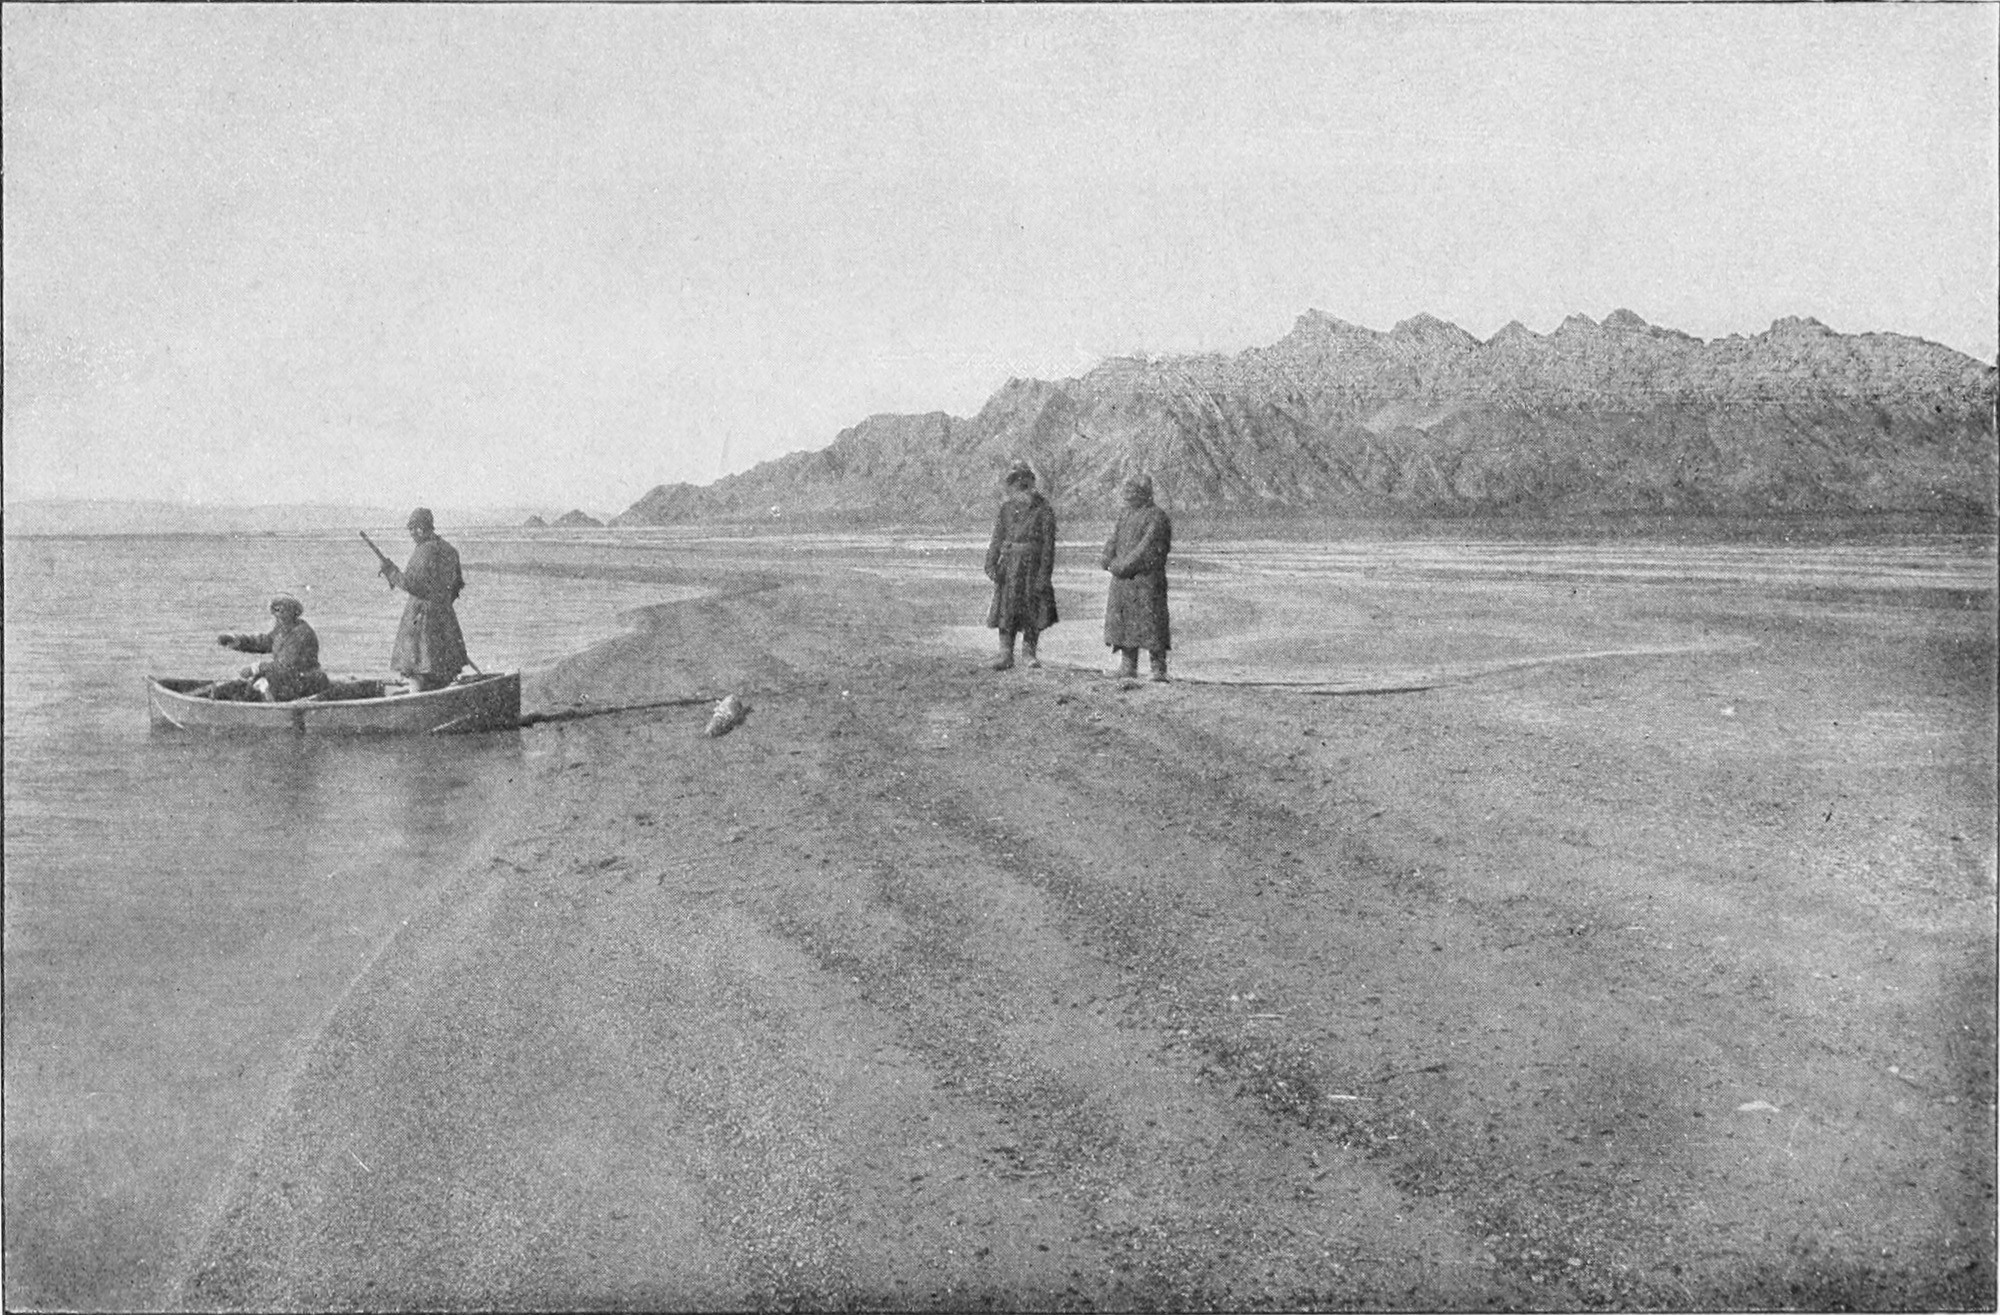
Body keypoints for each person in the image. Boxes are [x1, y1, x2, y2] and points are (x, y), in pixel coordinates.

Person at [379, 507, 468, 691]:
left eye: (413, 528)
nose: (412, 533)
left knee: (417, 669)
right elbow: (457, 585)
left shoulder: (424, 551)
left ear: (422, 527)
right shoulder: (450, 550)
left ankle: (416, 701)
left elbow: (412, 585)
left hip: (421, 618)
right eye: (410, 529)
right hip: (445, 616)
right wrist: (441, 603)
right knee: (443, 669)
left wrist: (391, 572)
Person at [983, 460, 1059, 670]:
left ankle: (1029, 653)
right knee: (1005, 608)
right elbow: (996, 538)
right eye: (1016, 480)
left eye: (1025, 480)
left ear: (1032, 482)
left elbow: (1048, 547)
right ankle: (1005, 654)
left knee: (1032, 608)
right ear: (1011, 485)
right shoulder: (1006, 509)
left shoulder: (1044, 510)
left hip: (1032, 567)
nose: (1021, 484)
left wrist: (1044, 575)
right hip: (1009, 567)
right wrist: (990, 563)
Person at [1100, 473, 1173, 683]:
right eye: (1127, 491)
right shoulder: (1125, 514)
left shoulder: (1156, 516)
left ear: (1143, 493)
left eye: (1132, 491)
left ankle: (1158, 669)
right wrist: (1107, 557)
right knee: (1123, 620)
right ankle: (1127, 666)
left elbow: (1146, 547)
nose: (1127, 495)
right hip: (1123, 579)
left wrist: (1124, 566)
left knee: (1151, 621)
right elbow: (1113, 538)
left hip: (1146, 578)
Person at [212, 593, 332, 701]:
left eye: (282, 611)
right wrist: (237, 641)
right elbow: (265, 642)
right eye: (275, 611)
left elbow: (285, 666)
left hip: (305, 683)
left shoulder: (301, 634)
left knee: (258, 687)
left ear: (293, 612)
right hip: (287, 679)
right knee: (248, 687)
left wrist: (256, 668)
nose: (277, 615)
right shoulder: (282, 630)